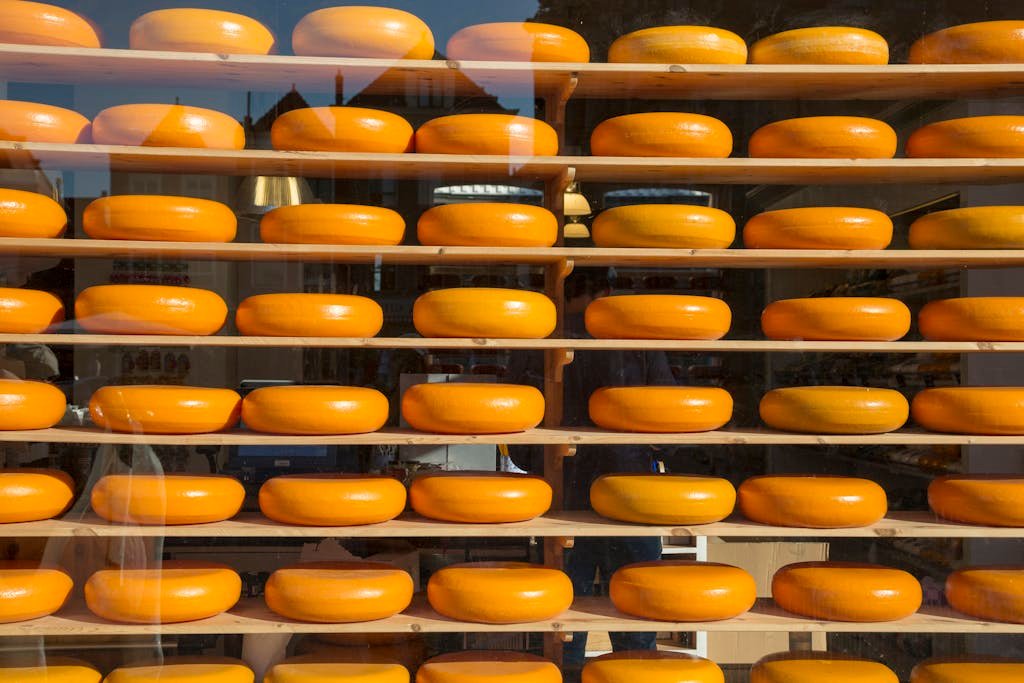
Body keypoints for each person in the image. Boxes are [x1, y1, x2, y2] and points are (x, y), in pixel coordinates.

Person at [510, 268, 671, 669]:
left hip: (564, 496)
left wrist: (544, 475)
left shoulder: (539, 340)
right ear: (607, 291)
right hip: (631, 495)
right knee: (636, 611)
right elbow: (668, 423)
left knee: (563, 617)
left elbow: (516, 425)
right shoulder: (638, 339)